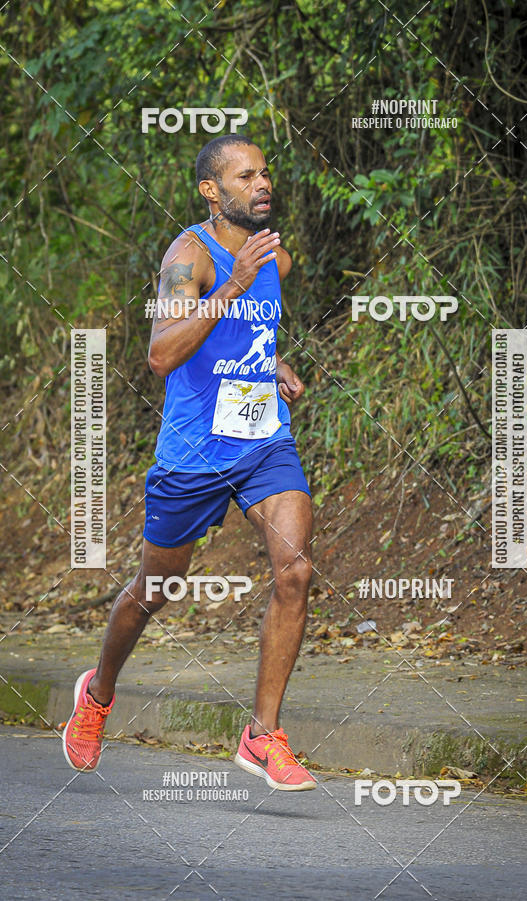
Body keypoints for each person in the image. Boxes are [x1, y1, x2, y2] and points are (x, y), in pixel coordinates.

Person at [62, 134, 316, 791]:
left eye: (266, 173)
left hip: (263, 442)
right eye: (245, 176)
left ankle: (262, 735)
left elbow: (252, 330)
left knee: (295, 568)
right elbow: (162, 352)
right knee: (156, 590)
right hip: (195, 452)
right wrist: (229, 283)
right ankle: (97, 694)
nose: (263, 184)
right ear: (211, 190)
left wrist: (271, 361)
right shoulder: (189, 257)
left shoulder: (274, 256)